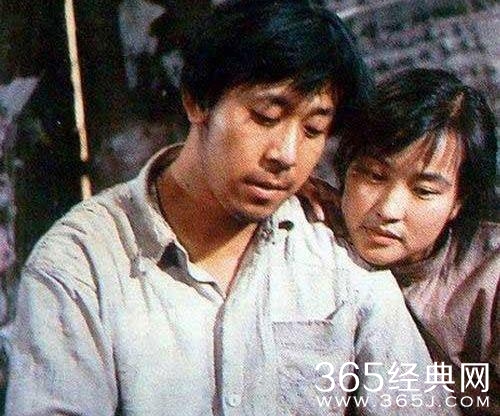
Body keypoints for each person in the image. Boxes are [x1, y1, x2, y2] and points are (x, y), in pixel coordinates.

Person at [2, 3, 454, 415]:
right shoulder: (82, 262)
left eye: (313, 129)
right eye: (266, 117)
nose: (286, 155)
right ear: (197, 100)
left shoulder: (337, 252)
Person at [309, 68, 498, 415]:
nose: (388, 210)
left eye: (423, 190)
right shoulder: (314, 228)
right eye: (374, 175)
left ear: (458, 201)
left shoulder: (492, 276)